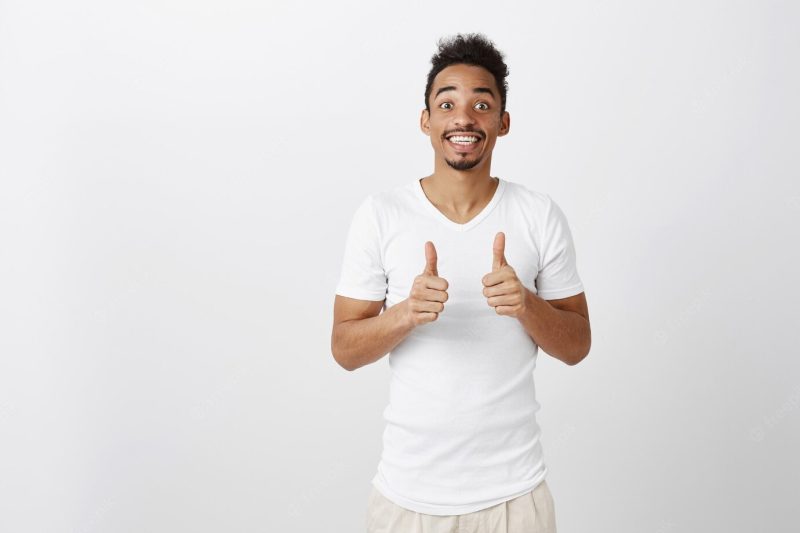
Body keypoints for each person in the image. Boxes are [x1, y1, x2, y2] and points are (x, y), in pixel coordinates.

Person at [331, 32, 591, 533]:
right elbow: (344, 349)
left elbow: (577, 344)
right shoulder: (381, 214)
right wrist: (405, 313)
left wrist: (527, 306)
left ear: (503, 122)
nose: (463, 117)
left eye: (481, 103)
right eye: (446, 102)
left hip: (516, 501)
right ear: (426, 120)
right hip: (406, 501)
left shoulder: (538, 215)